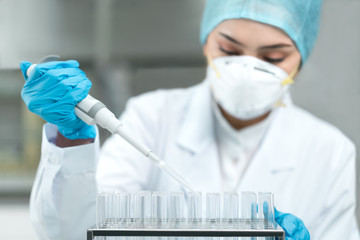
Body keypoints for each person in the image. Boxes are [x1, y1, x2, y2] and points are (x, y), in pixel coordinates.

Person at [19, 0, 359, 239]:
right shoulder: (151, 118)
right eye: (229, 50)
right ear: (207, 42)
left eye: (273, 57)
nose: (247, 69)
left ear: (301, 58)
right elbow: (75, 231)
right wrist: (72, 138)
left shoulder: (330, 152)